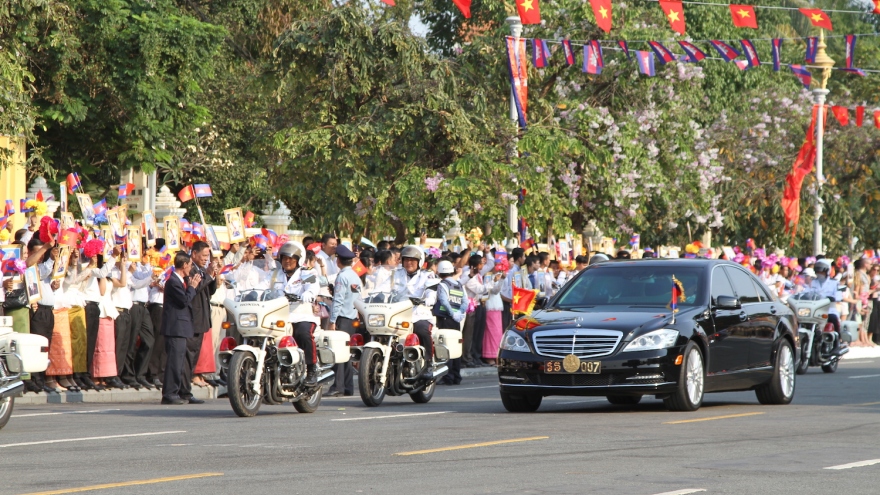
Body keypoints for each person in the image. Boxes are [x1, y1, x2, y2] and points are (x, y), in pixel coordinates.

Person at [161, 252, 202, 405]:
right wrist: (192, 287)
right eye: (190, 265)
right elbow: (184, 300)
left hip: (182, 328)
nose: (191, 268)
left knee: (182, 363)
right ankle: (169, 394)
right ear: (184, 265)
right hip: (175, 328)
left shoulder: (181, 280)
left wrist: (190, 284)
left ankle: (182, 391)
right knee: (174, 362)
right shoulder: (172, 281)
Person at [392, 246, 438, 381]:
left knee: (422, 329)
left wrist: (427, 300)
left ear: (419, 261)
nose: (409, 263)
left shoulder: (426, 275)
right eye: (406, 259)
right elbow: (381, 288)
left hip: (418, 313)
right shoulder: (395, 274)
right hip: (396, 313)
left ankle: (429, 363)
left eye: (413, 260)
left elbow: (431, 292)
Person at [327, 245, 361, 396]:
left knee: (338, 353)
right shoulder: (355, 276)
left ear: (338, 261)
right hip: (352, 317)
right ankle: (348, 387)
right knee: (346, 353)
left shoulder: (342, 276)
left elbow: (338, 300)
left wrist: (332, 320)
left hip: (342, 318)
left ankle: (338, 386)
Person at [284, 250, 321, 386]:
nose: (287, 261)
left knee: (303, 333)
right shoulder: (274, 274)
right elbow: (262, 286)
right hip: (279, 315)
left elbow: (313, 285)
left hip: (301, 314)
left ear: (298, 260)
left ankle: (312, 369)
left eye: (291, 258)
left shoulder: (305, 273)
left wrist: (309, 293)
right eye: (285, 258)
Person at [187, 241, 218, 391]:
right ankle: (187, 381)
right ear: (194, 254)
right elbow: (196, 288)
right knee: (190, 352)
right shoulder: (190, 269)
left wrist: (212, 275)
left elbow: (209, 291)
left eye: (208, 256)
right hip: (194, 315)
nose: (206, 258)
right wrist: (208, 275)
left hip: (203, 315)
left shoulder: (201, 269)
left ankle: (190, 379)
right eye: (204, 255)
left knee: (196, 352)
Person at [434, 260, 469, 385]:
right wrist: (459, 313)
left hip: (445, 319)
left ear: (440, 272)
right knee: (456, 347)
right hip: (456, 320)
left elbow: (443, 301)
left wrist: (452, 313)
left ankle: (447, 376)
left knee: (445, 347)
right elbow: (466, 302)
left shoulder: (442, 285)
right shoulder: (459, 284)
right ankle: (456, 376)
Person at [810, 259, 844, 354]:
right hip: (814, 310)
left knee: (833, 318)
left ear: (827, 271)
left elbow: (838, 296)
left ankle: (837, 343)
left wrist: (833, 298)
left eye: (821, 270)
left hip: (829, 309)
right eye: (817, 270)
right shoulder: (812, 282)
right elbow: (805, 292)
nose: (819, 273)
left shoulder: (834, 283)